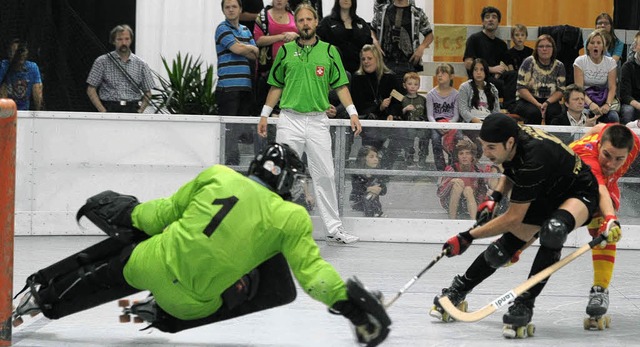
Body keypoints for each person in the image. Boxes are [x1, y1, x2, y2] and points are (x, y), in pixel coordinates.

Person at [11, 143, 391, 346]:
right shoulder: (289, 217)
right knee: (275, 268)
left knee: (121, 261)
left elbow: (160, 215)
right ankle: (157, 312)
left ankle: (45, 297)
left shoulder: (217, 175)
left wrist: (130, 213)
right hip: (191, 305)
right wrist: (347, 304)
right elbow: (312, 275)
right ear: (287, 184)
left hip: (148, 263)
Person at [430, 113, 601, 335]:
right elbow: (511, 168)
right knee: (499, 253)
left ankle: (524, 303)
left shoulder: (534, 158)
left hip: (578, 192)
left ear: (510, 142)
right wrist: (495, 198)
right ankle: (459, 289)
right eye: (483, 146)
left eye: (491, 147)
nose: (486, 153)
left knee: (553, 231)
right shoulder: (513, 140)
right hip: (545, 190)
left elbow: (513, 218)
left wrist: (467, 237)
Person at [257, 4, 363, 244]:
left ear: (316, 23)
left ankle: (335, 229)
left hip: (317, 121)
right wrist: (264, 115)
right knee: (280, 173)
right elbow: (276, 85)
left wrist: (353, 113)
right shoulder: (284, 51)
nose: (305, 23)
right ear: (297, 24)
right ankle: (273, 229)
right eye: (301, 20)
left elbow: (341, 85)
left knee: (325, 174)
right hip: (289, 120)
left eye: (309, 19)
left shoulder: (329, 51)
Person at [568, 124, 639, 324]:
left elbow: (604, 126)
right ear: (599, 146)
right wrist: (611, 219)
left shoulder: (631, 140)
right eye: (607, 155)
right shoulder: (588, 157)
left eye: (619, 159)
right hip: (570, 182)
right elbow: (599, 189)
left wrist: (607, 222)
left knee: (604, 233)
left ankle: (600, 290)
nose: (611, 164)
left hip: (603, 184)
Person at [216, 0, 260, 166]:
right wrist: (247, 47)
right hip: (228, 88)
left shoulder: (246, 30)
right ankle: (229, 168)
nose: (231, 10)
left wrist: (245, 47)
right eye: (227, 7)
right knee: (229, 134)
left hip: (245, 87)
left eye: (234, 6)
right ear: (223, 10)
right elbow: (239, 50)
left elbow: (254, 54)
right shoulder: (222, 28)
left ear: (241, 9)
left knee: (242, 131)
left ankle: (240, 169)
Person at [350, 44, 402, 169]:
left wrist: (391, 114)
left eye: (369, 58)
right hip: (367, 119)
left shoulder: (391, 77)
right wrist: (379, 107)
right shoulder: (357, 78)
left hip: (387, 119)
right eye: (363, 59)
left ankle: (385, 167)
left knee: (402, 134)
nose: (366, 62)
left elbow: (399, 100)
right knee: (373, 135)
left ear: (377, 59)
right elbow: (358, 105)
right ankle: (367, 170)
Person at [86, 25, 155, 113]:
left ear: (131, 40)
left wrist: (140, 111)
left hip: (132, 108)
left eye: (127, 39)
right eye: (119, 39)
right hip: (109, 107)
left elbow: (148, 92)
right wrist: (103, 111)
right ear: (113, 41)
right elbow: (91, 89)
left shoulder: (141, 64)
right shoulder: (102, 61)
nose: (124, 43)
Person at [463, 6, 517, 113]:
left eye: (494, 17)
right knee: (502, 85)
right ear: (483, 22)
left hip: (495, 78)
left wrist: (506, 71)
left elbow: (509, 62)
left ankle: (509, 107)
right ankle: (501, 107)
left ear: (498, 22)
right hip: (479, 78)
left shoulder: (501, 44)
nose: (490, 19)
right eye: (487, 17)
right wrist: (491, 69)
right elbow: (468, 63)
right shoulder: (474, 39)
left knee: (513, 76)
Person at [372, 0, 433, 87]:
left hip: (408, 65)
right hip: (385, 64)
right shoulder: (382, 11)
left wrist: (421, 47)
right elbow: (371, 29)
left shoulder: (417, 13)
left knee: (406, 98)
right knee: (384, 97)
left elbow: (429, 35)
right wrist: (375, 41)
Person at [254, 0, 298, 108]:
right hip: (269, 69)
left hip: (292, 69)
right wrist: (281, 37)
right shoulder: (263, 16)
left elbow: (305, 36)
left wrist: (295, 35)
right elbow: (258, 40)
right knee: (266, 104)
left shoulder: (294, 15)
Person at [514, 35, 566, 125]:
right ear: (536, 49)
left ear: (553, 48)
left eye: (548, 46)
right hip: (528, 100)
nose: (544, 49)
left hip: (550, 100)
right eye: (541, 46)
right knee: (534, 113)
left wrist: (547, 102)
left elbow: (561, 90)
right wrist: (537, 104)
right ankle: (531, 138)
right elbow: (521, 88)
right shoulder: (528, 62)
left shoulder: (559, 65)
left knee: (554, 113)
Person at [436, 138, 494, 220]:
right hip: (451, 202)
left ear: (472, 156)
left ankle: (474, 222)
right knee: (458, 183)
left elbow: (482, 193)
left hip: (471, 203)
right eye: (461, 153)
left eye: (467, 153)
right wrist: (451, 182)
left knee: (468, 189)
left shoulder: (477, 171)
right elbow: (440, 193)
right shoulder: (451, 169)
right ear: (458, 156)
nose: (464, 156)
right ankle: (452, 220)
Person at [573, 29, 619, 124]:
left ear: (603, 47)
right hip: (584, 98)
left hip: (603, 99)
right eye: (592, 43)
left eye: (599, 43)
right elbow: (579, 88)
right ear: (588, 47)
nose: (595, 45)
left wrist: (607, 104)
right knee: (582, 116)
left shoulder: (611, 62)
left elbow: (612, 87)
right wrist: (591, 104)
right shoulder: (580, 61)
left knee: (613, 117)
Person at [317, 0, 374, 75]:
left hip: (359, 72)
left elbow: (369, 46)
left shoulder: (361, 23)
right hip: (335, 71)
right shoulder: (327, 23)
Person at [427, 63, 460, 170]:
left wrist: (449, 125)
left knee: (458, 137)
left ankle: (453, 166)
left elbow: (456, 115)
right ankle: (440, 169)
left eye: (443, 73)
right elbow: (430, 115)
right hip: (436, 124)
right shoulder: (431, 94)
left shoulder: (456, 94)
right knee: (435, 139)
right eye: (438, 73)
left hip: (451, 124)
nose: (440, 75)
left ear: (451, 76)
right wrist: (437, 126)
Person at [0, 39, 42, 111]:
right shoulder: (3, 67)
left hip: (24, 112)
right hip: (6, 113)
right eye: (16, 53)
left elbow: (38, 95)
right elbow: (2, 94)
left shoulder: (32, 68)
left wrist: (39, 116)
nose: (19, 56)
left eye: (22, 52)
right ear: (9, 53)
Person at [350, 145, 388, 217]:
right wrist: (368, 189)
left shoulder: (377, 173)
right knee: (368, 195)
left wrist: (379, 189)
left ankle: (375, 213)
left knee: (371, 195)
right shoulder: (357, 173)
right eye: (371, 157)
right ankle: (371, 215)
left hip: (374, 204)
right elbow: (357, 189)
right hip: (358, 204)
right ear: (363, 159)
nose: (376, 159)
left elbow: (384, 191)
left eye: (376, 156)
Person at [400, 72, 428, 168]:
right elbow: (400, 114)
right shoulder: (403, 99)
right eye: (410, 84)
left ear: (419, 86)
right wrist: (405, 109)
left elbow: (426, 113)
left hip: (420, 125)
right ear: (404, 85)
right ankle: (409, 159)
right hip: (409, 125)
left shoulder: (423, 99)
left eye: (415, 84)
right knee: (409, 141)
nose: (412, 87)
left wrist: (424, 120)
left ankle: (422, 158)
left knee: (424, 140)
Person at [619, 32, 640, 125]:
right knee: (628, 111)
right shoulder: (627, 66)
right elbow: (625, 95)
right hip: (631, 102)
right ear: (635, 47)